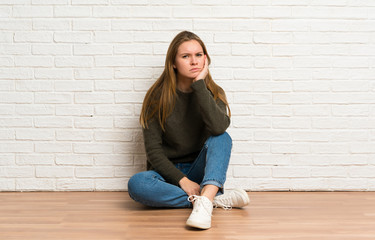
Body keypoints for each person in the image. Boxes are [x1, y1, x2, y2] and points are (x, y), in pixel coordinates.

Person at [128, 31, 249, 230]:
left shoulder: (214, 92)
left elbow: (219, 128)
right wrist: (182, 180)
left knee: (222, 137)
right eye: (186, 56)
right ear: (173, 63)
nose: (194, 61)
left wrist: (200, 86)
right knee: (137, 184)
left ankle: (205, 199)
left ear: (206, 59)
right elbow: (154, 153)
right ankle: (211, 199)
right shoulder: (156, 98)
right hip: (168, 176)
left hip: (202, 171)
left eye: (199, 55)